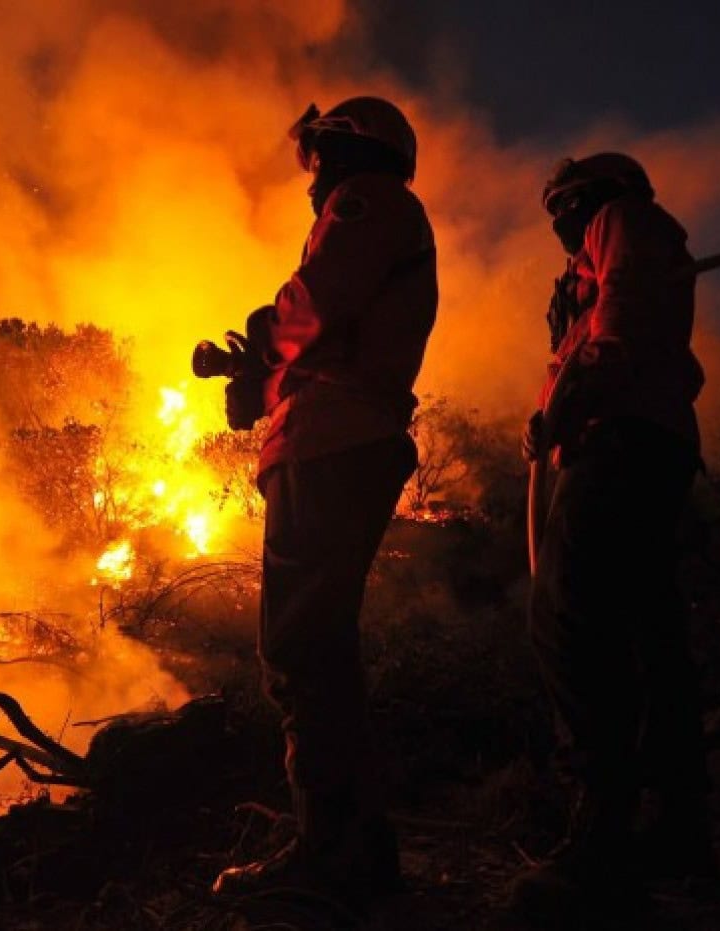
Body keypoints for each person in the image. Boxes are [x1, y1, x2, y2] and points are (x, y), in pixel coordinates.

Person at [210, 96, 438, 902]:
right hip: (331, 437)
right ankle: (355, 848)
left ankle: (329, 855)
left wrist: (268, 334)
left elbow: (320, 300)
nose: (314, 183)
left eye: (321, 159)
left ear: (350, 151)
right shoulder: (380, 212)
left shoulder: (368, 202)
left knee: (303, 650)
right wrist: (264, 388)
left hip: (334, 446)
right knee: (319, 649)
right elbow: (333, 345)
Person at [514, 153, 716, 913]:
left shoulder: (618, 221)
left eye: (560, 208)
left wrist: (572, 401)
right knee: (647, 635)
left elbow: (620, 327)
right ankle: (677, 833)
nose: (560, 226)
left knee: (565, 618)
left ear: (583, 198)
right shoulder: (616, 247)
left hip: (621, 438)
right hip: (645, 438)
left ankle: (600, 841)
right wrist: (551, 419)